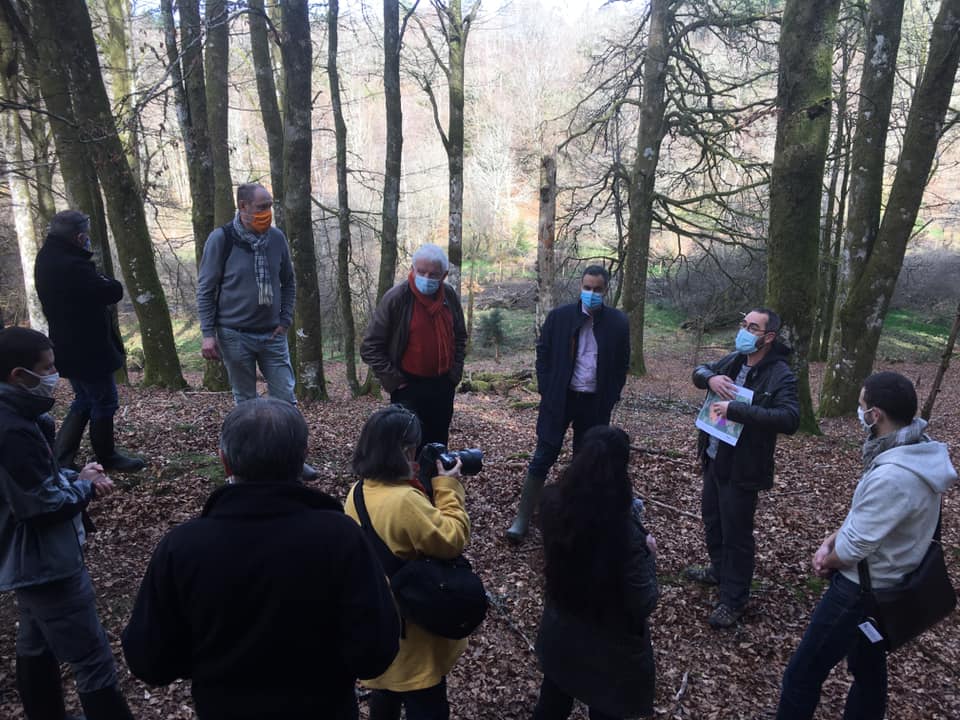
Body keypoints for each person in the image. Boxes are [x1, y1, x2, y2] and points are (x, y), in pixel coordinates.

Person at [121, 398, 400, 720]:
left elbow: (149, 660)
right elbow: (376, 650)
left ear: (225, 462)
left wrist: (209, 662)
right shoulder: (340, 537)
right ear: (302, 460)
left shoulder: (182, 547)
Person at [775, 372, 957, 719]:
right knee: (868, 673)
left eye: (861, 406)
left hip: (858, 593)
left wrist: (829, 559)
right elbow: (868, 519)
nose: (859, 413)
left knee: (802, 673)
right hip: (886, 585)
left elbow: (857, 545)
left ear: (875, 415)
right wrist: (832, 538)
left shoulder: (894, 475)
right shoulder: (916, 450)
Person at [0, 327, 134, 719]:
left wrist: (72, 478)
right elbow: (39, 506)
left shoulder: (18, 417)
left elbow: (31, 484)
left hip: (26, 557)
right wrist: (85, 488)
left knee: (35, 638)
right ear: (18, 375)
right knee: (92, 657)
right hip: (44, 561)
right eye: (48, 367)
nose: (55, 375)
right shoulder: (12, 429)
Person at [345, 404, 471, 720]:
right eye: (412, 449)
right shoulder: (405, 501)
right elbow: (452, 539)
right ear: (403, 451)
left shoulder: (358, 491)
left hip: (381, 617)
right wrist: (447, 487)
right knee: (425, 700)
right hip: (414, 627)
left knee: (386, 691)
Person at [684, 307, 799, 628]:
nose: (745, 332)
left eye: (753, 327)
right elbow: (699, 371)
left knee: (737, 534)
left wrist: (737, 410)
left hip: (744, 468)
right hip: (714, 456)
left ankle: (733, 599)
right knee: (713, 520)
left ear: (769, 337)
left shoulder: (780, 373)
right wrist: (711, 377)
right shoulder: (735, 359)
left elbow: (790, 419)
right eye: (743, 325)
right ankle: (718, 571)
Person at [533, 425, 658, 720]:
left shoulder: (554, 504)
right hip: (609, 649)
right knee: (605, 710)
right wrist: (650, 555)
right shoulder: (625, 534)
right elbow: (644, 601)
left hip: (560, 631)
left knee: (552, 702)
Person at [196, 183, 317, 479]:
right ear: (243, 206)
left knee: (285, 399)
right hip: (233, 334)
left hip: (273, 335)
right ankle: (246, 468)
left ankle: (292, 461)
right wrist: (208, 333)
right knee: (246, 402)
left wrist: (285, 320)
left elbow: (288, 282)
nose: (267, 213)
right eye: (262, 207)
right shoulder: (221, 240)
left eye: (270, 206)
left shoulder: (276, 239)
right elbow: (206, 288)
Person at [505, 265, 629, 544]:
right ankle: (523, 519)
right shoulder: (559, 318)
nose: (591, 294)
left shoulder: (618, 323)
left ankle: (575, 518)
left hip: (595, 402)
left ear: (605, 290)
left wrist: (612, 394)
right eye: (587, 288)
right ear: (580, 287)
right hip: (560, 399)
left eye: (597, 289)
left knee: (586, 462)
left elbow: (622, 363)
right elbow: (544, 353)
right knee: (543, 455)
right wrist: (547, 389)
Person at [34, 209, 144, 472]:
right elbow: (112, 290)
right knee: (104, 401)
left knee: (84, 399)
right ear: (78, 236)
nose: (88, 239)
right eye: (86, 234)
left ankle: (61, 457)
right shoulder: (71, 265)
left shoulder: (48, 257)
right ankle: (106, 456)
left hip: (70, 345)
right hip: (88, 348)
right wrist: (104, 280)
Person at [360, 244, 467, 447]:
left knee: (437, 444)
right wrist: (395, 381)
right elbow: (370, 347)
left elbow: (460, 337)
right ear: (412, 269)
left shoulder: (449, 296)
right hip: (408, 387)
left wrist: (454, 374)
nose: (426, 278)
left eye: (433, 274)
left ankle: (435, 479)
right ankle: (408, 479)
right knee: (408, 445)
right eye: (421, 271)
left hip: (443, 385)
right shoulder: (397, 298)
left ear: (443, 275)